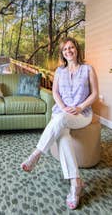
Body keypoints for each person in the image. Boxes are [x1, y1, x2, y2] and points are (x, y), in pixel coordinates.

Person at [20, 37, 99, 210]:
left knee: (60, 120)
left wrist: (80, 107)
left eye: (71, 48)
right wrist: (63, 106)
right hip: (63, 112)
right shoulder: (59, 71)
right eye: (65, 49)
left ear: (77, 49)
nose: (68, 51)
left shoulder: (88, 69)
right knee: (63, 134)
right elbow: (55, 92)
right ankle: (75, 182)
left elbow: (95, 94)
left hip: (82, 114)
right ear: (62, 53)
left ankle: (36, 154)